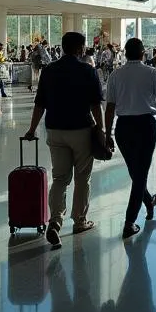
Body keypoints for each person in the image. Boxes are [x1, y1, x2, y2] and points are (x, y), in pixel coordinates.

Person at [24, 31, 105, 249]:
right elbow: (96, 104)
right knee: (82, 178)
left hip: (55, 130)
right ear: (80, 48)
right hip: (81, 130)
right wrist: (102, 130)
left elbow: (39, 103)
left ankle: (55, 223)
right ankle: (79, 221)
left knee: (60, 178)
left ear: (62, 47)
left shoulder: (49, 71)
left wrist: (32, 129)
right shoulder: (87, 70)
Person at [104, 38, 156, 240]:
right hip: (145, 126)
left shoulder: (115, 74)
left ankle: (148, 201)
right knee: (140, 175)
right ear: (142, 54)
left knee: (136, 172)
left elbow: (110, 106)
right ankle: (129, 222)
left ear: (126, 53)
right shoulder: (151, 73)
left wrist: (107, 133)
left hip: (123, 128)